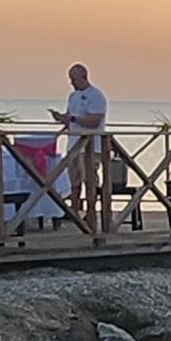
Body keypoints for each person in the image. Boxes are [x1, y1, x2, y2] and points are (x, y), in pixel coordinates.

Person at [59, 63, 114, 229]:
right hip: (73, 144)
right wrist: (63, 120)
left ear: (83, 77)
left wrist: (74, 120)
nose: (72, 83)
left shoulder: (96, 96)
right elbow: (71, 117)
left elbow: (94, 121)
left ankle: (92, 215)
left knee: (89, 180)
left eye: (74, 79)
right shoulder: (73, 96)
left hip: (90, 146)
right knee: (73, 180)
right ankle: (74, 211)